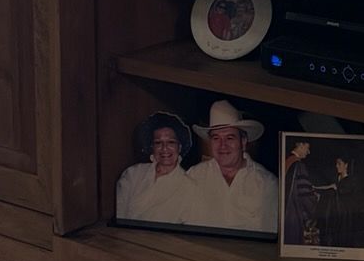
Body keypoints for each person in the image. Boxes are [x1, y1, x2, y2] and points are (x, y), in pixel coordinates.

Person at [187, 99, 276, 233]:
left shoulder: (267, 184)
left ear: (243, 141)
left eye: (230, 138)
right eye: (216, 138)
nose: (223, 146)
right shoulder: (193, 176)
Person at [115, 112, 195, 225]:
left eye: (171, 142)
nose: (164, 148)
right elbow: (119, 214)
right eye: (158, 143)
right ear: (152, 147)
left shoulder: (190, 187)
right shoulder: (132, 174)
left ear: (180, 147)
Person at [283, 136, 320, 245]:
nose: (308, 152)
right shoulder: (298, 165)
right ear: (300, 145)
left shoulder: (286, 162)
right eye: (307, 148)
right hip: (294, 213)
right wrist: (315, 197)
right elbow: (305, 194)